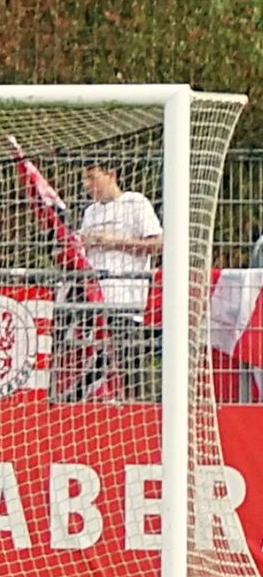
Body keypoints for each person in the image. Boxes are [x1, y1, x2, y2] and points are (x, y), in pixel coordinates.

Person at [77, 162, 163, 401]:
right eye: (85, 180)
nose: (88, 185)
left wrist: (113, 242)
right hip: (93, 299)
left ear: (111, 175)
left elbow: (157, 243)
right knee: (92, 360)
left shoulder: (136, 203)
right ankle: (86, 401)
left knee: (128, 361)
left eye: (92, 177)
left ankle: (139, 405)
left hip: (125, 298)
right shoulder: (90, 212)